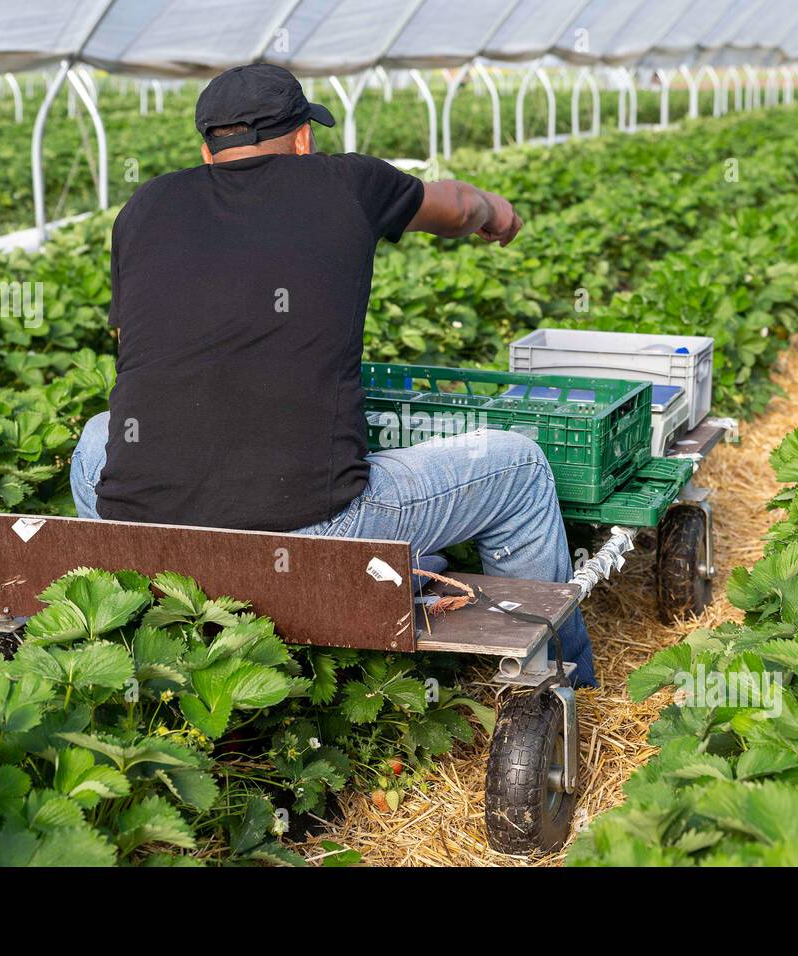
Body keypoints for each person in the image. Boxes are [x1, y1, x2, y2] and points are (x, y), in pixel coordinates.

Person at [69, 63, 594, 686]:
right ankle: (554, 681)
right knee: (518, 467)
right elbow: (453, 207)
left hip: (144, 520)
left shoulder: (144, 205)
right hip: (313, 525)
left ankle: (159, 616)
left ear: (208, 148)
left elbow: (136, 349)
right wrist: (494, 211)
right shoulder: (346, 182)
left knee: (101, 434)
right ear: (301, 139)